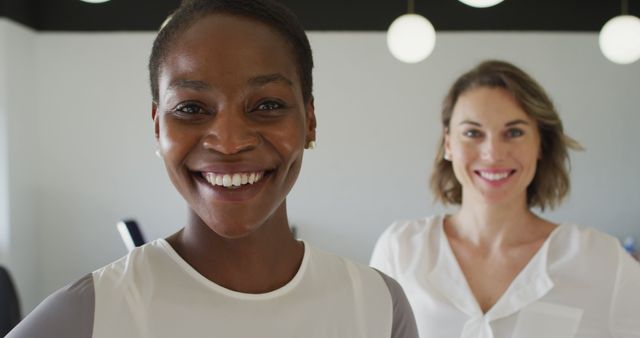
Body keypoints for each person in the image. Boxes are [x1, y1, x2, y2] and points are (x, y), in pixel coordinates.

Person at [8, 1, 418, 337]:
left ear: (309, 120)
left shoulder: (377, 306)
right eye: (191, 108)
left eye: (267, 105)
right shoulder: (92, 314)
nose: (228, 140)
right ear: (157, 127)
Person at [370, 60, 640, 338]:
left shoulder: (603, 259)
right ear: (449, 143)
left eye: (514, 132)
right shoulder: (400, 249)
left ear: (541, 143)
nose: (493, 153)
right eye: (473, 133)